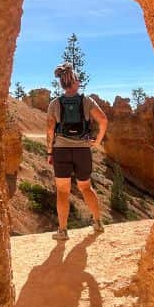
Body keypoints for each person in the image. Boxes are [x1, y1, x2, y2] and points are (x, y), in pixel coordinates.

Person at [46, 62, 109, 240]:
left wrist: (50, 152)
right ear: (74, 82)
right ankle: (97, 223)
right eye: (77, 78)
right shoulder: (87, 101)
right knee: (86, 187)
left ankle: (63, 231)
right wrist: (96, 142)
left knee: (63, 191)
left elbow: (50, 130)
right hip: (82, 150)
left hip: (61, 151)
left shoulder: (54, 103)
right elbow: (103, 120)